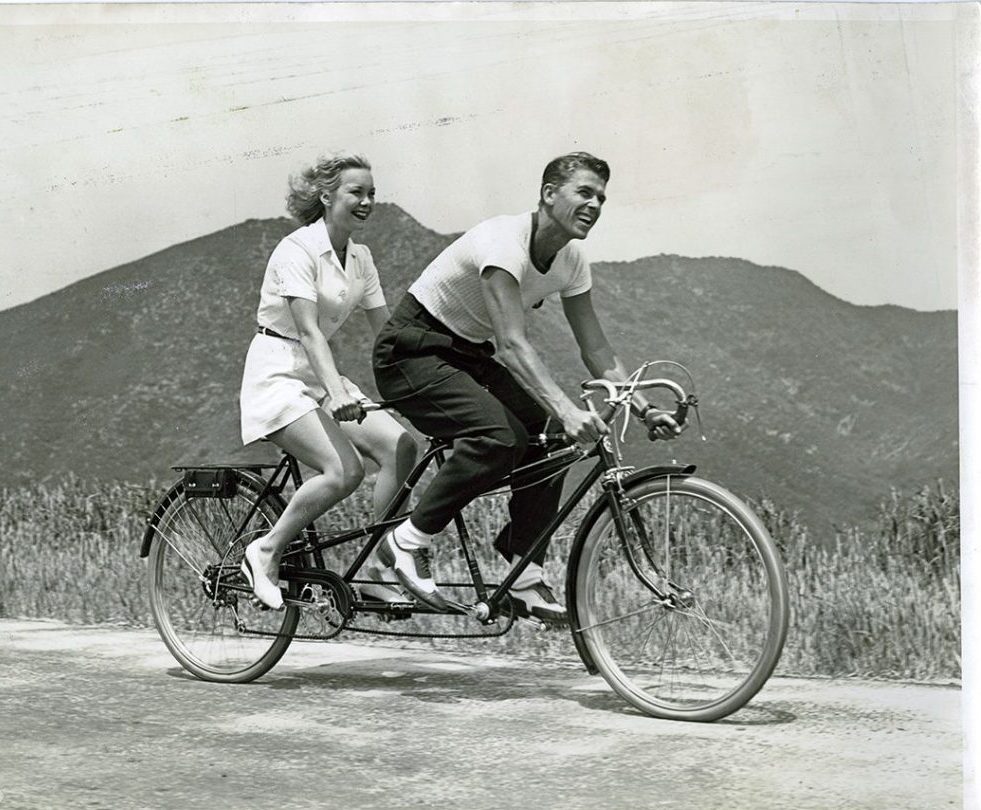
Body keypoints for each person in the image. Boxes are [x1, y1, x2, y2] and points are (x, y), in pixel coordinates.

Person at [372, 151, 681, 621]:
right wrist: (566, 407)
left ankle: (525, 576)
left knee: (552, 441)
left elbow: (595, 348)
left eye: (601, 197)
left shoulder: (572, 260)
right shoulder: (504, 243)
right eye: (584, 192)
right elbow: (513, 345)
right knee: (498, 437)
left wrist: (642, 406)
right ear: (549, 193)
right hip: (410, 351)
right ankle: (407, 541)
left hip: (467, 354)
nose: (595, 204)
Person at [239, 153, 417, 610]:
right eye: (356, 192)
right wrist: (337, 393)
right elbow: (308, 330)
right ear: (326, 196)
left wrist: (431, 378)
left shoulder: (360, 257)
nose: (367, 201)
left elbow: (387, 331)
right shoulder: (296, 250)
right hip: (277, 370)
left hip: (319, 374)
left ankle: (381, 570)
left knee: (401, 447)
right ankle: (264, 551)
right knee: (345, 470)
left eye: (372, 193)